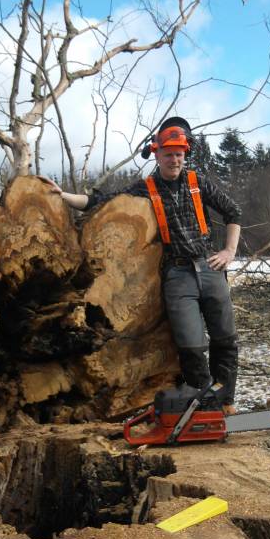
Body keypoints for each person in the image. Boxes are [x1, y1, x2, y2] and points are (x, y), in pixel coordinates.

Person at [45, 117, 241, 413]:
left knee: (225, 338)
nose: (174, 160)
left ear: (184, 154)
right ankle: (203, 406)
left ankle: (225, 403)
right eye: (168, 154)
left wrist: (229, 251)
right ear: (157, 154)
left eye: (179, 154)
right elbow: (103, 201)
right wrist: (64, 196)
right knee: (190, 344)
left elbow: (233, 211)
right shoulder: (145, 188)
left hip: (210, 267)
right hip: (177, 273)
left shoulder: (196, 182)